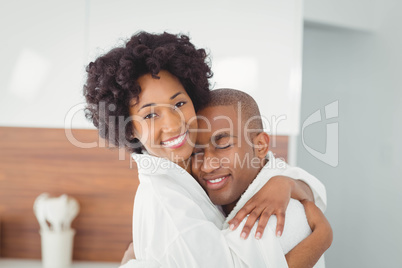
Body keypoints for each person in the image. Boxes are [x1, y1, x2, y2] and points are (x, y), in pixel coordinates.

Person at [83, 31, 329, 267]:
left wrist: (288, 183)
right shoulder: (170, 202)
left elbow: (300, 182)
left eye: (179, 103)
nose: (173, 123)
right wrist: (322, 239)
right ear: (129, 129)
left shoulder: (189, 166)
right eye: (150, 115)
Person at [191, 88, 332, 267]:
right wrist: (323, 236)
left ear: (260, 146)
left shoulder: (277, 218)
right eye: (196, 152)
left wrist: (323, 236)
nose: (207, 165)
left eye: (224, 145)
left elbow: (312, 189)